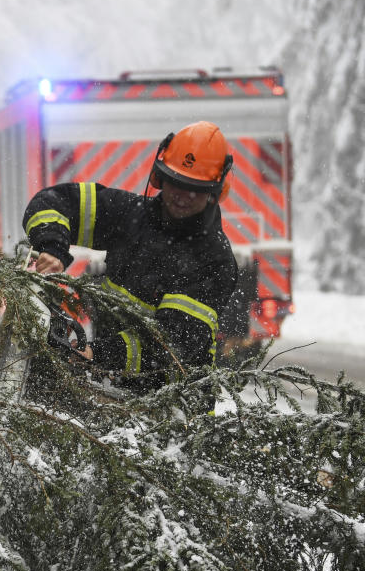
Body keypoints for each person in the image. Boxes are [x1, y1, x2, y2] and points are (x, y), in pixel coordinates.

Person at [22, 121, 238, 390]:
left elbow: (172, 344)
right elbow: (52, 201)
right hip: (112, 387)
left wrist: (97, 354)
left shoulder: (214, 260)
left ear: (214, 193)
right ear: (160, 178)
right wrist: (53, 248)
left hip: (173, 411)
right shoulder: (129, 215)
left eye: (195, 188)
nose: (182, 196)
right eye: (175, 183)